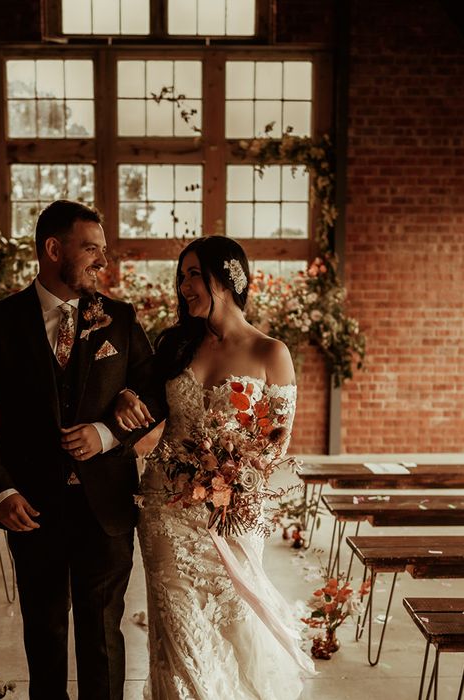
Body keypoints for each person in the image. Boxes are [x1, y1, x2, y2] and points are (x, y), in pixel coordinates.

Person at [0, 199, 163, 700]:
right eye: (90, 248)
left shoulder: (119, 318)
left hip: (106, 505)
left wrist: (108, 433)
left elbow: (154, 395)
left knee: (102, 637)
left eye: (104, 250)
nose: (102, 261)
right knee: (44, 633)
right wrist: (0, 492)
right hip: (32, 506)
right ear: (53, 249)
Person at [115, 235, 314, 699]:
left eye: (193, 274)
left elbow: (274, 448)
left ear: (227, 278)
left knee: (234, 625)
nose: (184, 286)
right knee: (179, 633)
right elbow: (138, 400)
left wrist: (231, 477)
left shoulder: (271, 353)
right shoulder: (174, 346)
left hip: (232, 516)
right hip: (166, 509)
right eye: (180, 277)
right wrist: (125, 397)